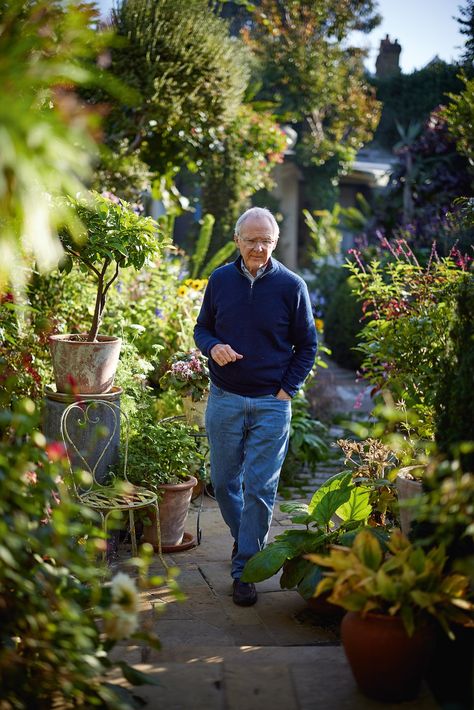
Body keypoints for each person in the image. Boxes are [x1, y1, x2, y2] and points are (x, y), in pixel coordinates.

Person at [194, 207, 317, 606]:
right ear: (237, 241)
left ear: (275, 243)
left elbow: (307, 346)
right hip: (225, 397)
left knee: (260, 488)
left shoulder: (291, 286)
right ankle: (243, 538)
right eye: (251, 240)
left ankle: (245, 568)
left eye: (266, 241)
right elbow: (202, 328)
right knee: (224, 482)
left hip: (271, 404)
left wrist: (286, 391)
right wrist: (213, 347)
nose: (258, 248)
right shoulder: (220, 280)